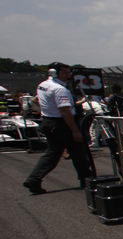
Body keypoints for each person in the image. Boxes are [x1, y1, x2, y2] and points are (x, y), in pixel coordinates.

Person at [22, 62, 94, 194]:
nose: (68, 75)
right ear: (55, 73)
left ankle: (34, 179)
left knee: (53, 153)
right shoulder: (60, 89)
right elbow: (65, 111)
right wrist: (75, 131)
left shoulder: (42, 85)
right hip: (62, 124)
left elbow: (39, 101)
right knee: (78, 152)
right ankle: (87, 179)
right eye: (65, 73)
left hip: (49, 121)